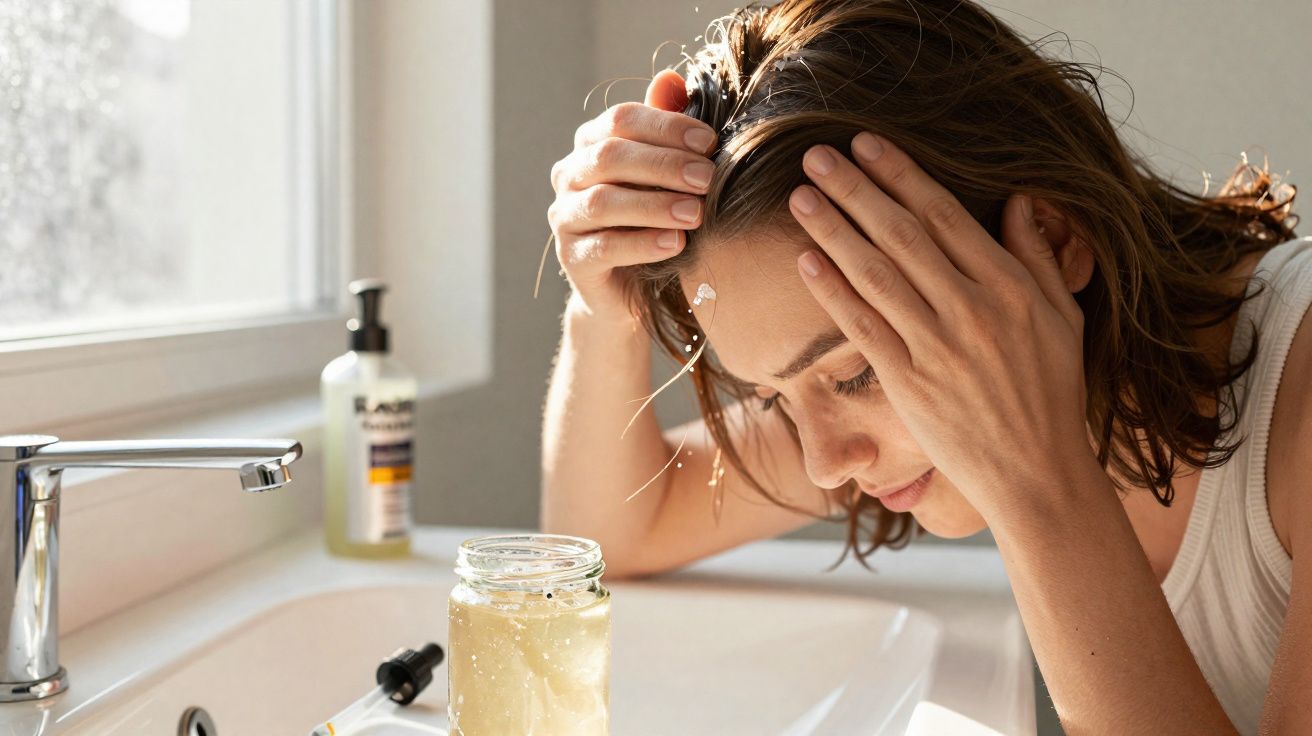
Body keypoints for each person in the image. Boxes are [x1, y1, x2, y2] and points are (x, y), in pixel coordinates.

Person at [541, 1, 1309, 733]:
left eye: (854, 374)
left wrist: (1038, 482)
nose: (826, 461)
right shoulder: (884, 416)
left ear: (1049, 235)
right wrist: (604, 306)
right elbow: (613, 534)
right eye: (775, 396)